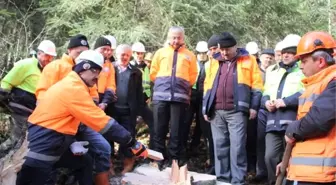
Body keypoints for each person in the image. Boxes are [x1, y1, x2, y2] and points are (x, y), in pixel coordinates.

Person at [16, 50, 147, 185]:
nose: (97, 77)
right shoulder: (73, 88)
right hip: (44, 142)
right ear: (83, 68)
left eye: (99, 72)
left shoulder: (76, 84)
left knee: (84, 162)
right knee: (34, 178)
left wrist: (71, 141)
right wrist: (132, 143)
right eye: (95, 71)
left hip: (55, 140)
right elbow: (103, 123)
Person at [35, 35, 113, 185]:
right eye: (78, 53)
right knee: (56, 159)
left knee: (103, 148)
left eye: (85, 52)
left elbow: (94, 95)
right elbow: (42, 95)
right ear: (69, 50)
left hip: (83, 121)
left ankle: (101, 181)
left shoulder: (89, 69)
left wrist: (92, 107)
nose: (81, 56)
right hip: (58, 124)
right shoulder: (55, 67)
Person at [276, 31, 336, 185]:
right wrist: (288, 161)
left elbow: (318, 120)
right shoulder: (315, 85)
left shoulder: (333, 82)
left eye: (304, 60)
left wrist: (292, 129)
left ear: (321, 61)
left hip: (321, 173)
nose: (300, 66)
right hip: (308, 170)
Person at [202, 32, 263, 185]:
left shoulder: (248, 60)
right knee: (220, 147)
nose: (224, 52)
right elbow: (207, 87)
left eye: (227, 49)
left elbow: (257, 85)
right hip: (216, 111)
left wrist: (254, 107)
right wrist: (205, 107)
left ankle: (237, 181)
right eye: (221, 49)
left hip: (237, 111)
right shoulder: (213, 62)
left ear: (235, 47)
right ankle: (223, 180)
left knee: (237, 147)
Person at [257, 34, 305, 185]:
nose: (286, 55)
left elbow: (306, 92)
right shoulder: (272, 71)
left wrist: (285, 102)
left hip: (293, 122)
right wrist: (266, 103)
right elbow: (265, 93)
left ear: (297, 54)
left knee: (291, 159)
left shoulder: (303, 70)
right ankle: (274, 182)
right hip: (272, 122)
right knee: (269, 156)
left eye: (290, 52)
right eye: (284, 51)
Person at [150, 26, 198, 170]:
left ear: (183, 38)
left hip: (180, 98)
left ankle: (174, 160)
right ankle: (158, 159)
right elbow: (153, 72)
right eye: (173, 37)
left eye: (178, 37)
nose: (176, 40)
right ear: (168, 37)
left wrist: (181, 85)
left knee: (177, 131)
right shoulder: (160, 53)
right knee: (159, 129)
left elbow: (193, 75)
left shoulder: (189, 55)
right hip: (160, 97)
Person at [0, 40, 56, 151]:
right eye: (47, 56)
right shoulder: (26, 64)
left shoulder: (48, 71)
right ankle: (4, 157)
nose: (48, 60)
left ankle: (9, 159)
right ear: (39, 53)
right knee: (17, 139)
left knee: (21, 139)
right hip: (19, 107)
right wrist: (3, 98)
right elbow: (7, 82)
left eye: (51, 57)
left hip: (31, 111)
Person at [107, 44, 144, 174]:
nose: (125, 57)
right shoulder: (110, 69)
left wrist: (139, 112)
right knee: (107, 137)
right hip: (111, 110)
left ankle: (128, 163)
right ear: (117, 54)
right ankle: (108, 165)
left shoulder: (136, 72)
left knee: (128, 137)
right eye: (122, 54)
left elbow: (139, 94)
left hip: (128, 111)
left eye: (128, 55)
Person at [130, 42, 154, 150]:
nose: (140, 55)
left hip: (144, 101)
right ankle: (130, 150)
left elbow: (149, 84)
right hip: (133, 101)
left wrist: (148, 97)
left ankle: (153, 148)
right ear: (133, 53)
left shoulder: (146, 67)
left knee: (153, 123)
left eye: (141, 53)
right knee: (130, 127)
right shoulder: (130, 66)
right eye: (137, 53)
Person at [94, 36, 117, 111]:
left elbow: (111, 86)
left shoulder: (109, 65)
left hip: (103, 98)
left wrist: (104, 102)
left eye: (109, 50)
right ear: (96, 48)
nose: (107, 52)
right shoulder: (86, 61)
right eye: (103, 49)